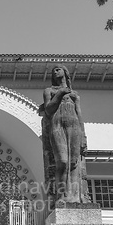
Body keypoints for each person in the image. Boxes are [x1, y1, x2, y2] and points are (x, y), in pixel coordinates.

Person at [42, 65, 89, 204]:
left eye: (58, 69)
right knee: (62, 161)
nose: (55, 72)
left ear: (65, 73)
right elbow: (49, 110)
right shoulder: (49, 91)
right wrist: (60, 93)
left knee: (74, 162)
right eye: (53, 71)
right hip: (57, 126)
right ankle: (61, 195)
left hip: (74, 126)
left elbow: (79, 114)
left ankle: (75, 197)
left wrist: (83, 135)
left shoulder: (74, 94)